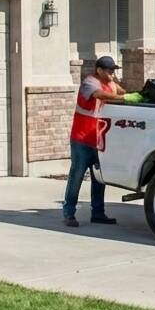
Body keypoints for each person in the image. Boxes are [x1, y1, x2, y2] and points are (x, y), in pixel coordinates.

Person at [64, 56, 125, 227]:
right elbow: (100, 95)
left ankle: (98, 213)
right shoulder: (89, 83)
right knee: (76, 177)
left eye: (114, 70)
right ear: (99, 70)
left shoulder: (111, 84)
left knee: (99, 179)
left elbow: (121, 91)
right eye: (110, 70)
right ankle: (69, 213)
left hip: (98, 140)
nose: (113, 73)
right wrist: (123, 98)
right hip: (82, 139)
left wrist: (137, 95)